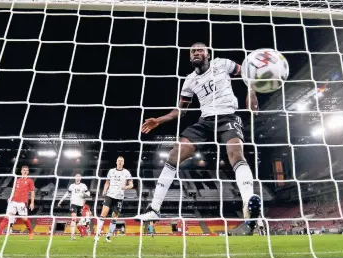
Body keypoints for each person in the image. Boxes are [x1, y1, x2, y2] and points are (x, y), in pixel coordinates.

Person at [136, 43, 261, 230]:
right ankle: (154, 209)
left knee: (235, 153)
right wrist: (159, 120)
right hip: (205, 121)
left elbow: (246, 73)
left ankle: (248, 204)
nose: (196, 53)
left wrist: (251, 91)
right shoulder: (190, 80)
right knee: (174, 154)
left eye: (200, 50)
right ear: (190, 57)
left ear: (208, 54)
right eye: (193, 51)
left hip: (227, 116)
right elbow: (180, 110)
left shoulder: (222, 64)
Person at [95, 156, 133, 242]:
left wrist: (126, 187)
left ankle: (108, 236)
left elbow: (131, 184)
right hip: (109, 195)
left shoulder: (126, 172)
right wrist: (104, 190)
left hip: (119, 197)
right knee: (103, 214)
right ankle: (97, 235)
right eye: (119, 160)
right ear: (116, 162)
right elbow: (107, 182)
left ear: (123, 163)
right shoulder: (111, 171)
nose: (120, 162)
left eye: (121, 161)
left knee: (114, 217)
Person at [0, 166, 35, 240]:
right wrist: (10, 197)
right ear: (21, 171)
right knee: (6, 217)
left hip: (22, 202)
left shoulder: (30, 181)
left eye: (26, 170)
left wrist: (32, 202)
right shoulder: (17, 180)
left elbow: (32, 192)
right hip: (13, 201)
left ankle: (31, 232)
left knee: (24, 219)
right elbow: (14, 191)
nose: (25, 171)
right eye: (24, 170)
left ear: (28, 172)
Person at [58, 174, 90, 240]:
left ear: (80, 178)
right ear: (75, 178)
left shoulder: (83, 185)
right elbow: (67, 193)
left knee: (78, 222)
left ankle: (82, 232)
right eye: (76, 177)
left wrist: (84, 195)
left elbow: (88, 194)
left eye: (79, 177)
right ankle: (72, 235)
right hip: (73, 204)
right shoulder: (72, 186)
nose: (78, 178)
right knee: (73, 219)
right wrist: (61, 200)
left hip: (80, 205)